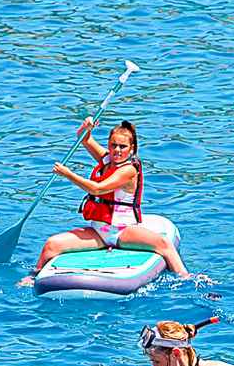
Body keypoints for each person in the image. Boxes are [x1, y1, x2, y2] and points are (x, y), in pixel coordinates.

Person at [28, 118, 190, 278]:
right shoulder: (107, 160)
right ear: (108, 145)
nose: (117, 150)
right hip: (98, 232)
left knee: (164, 245)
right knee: (51, 245)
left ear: (131, 149)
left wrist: (68, 174)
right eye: (113, 145)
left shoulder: (128, 171)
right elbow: (84, 138)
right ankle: (31, 278)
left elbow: (97, 190)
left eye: (123, 146)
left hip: (123, 231)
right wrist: (87, 127)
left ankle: (187, 279)